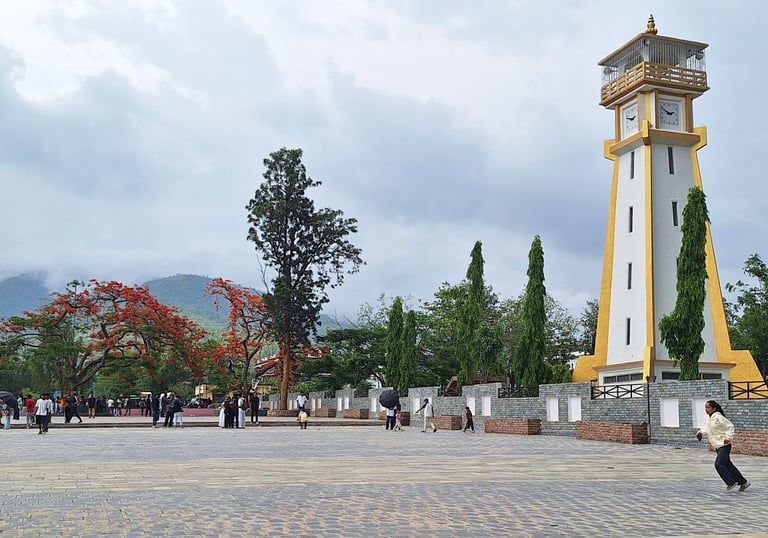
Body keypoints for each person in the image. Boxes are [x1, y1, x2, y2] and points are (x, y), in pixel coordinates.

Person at [696, 400, 751, 492]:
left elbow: (730, 427)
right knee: (728, 465)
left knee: (719, 464)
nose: (706, 409)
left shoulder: (719, 417)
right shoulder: (707, 418)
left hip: (724, 445)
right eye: (705, 407)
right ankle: (743, 482)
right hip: (717, 445)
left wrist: (728, 437)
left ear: (714, 408)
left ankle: (730, 482)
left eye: (708, 407)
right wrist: (700, 433)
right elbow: (705, 428)